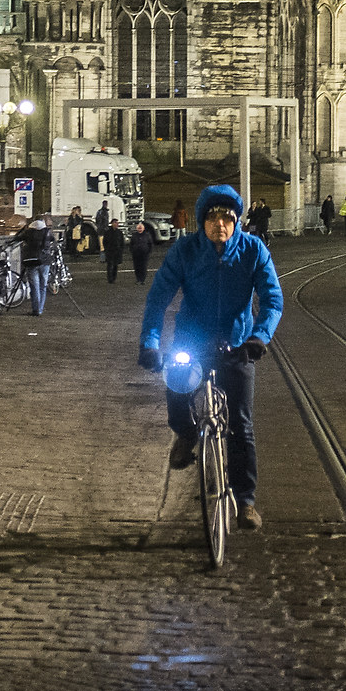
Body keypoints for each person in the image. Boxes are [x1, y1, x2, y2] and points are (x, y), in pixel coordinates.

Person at [139, 185, 282, 532]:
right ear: (202, 221)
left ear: (236, 223)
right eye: (214, 217)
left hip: (235, 346)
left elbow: (272, 299)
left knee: (241, 425)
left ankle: (245, 501)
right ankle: (186, 434)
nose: (221, 224)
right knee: (175, 382)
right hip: (193, 339)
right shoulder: (185, 251)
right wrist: (150, 342)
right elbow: (158, 299)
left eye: (228, 218)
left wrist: (258, 338)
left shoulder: (253, 250)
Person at [19, 216, 57, 314]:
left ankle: (36, 309)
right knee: (43, 286)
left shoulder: (28, 232)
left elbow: (17, 238)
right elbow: (53, 240)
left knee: (34, 286)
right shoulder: (47, 232)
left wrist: (23, 229)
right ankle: (40, 309)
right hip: (45, 261)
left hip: (32, 261)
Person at [102, 217, 127, 284]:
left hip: (117, 251)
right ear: (112, 224)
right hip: (110, 251)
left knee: (115, 265)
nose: (116, 224)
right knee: (110, 265)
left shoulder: (119, 232)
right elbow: (105, 242)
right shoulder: (108, 232)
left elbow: (122, 242)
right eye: (115, 223)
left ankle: (113, 278)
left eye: (117, 223)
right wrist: (106, 249)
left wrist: (121, 250)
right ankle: (110, 278)